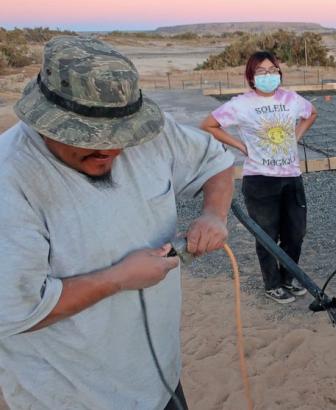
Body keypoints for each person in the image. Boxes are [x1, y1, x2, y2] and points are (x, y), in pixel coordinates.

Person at [0, 37, 235, 409]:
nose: (110, 149)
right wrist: (117, 279)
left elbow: (216, 164)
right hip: (72, 397)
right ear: (44, 122)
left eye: (120, 136)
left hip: (161, 379)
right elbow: (15, 311)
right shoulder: (10, 179)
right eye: (89, 137)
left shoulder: (151, 136)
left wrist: (213, 214)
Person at [201, 51, 318, 304]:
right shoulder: (240, 104)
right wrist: (240, 146)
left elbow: (311, 113)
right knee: (266, 233)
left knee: (295, 232)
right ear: (251, 77)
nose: (269, 75)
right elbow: (209, 124)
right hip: (260, 179)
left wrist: (295, 137)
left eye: (273, 70)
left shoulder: (291, 99)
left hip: (291, 176)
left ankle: (289, 276)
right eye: (262, 72)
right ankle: (272, 284)